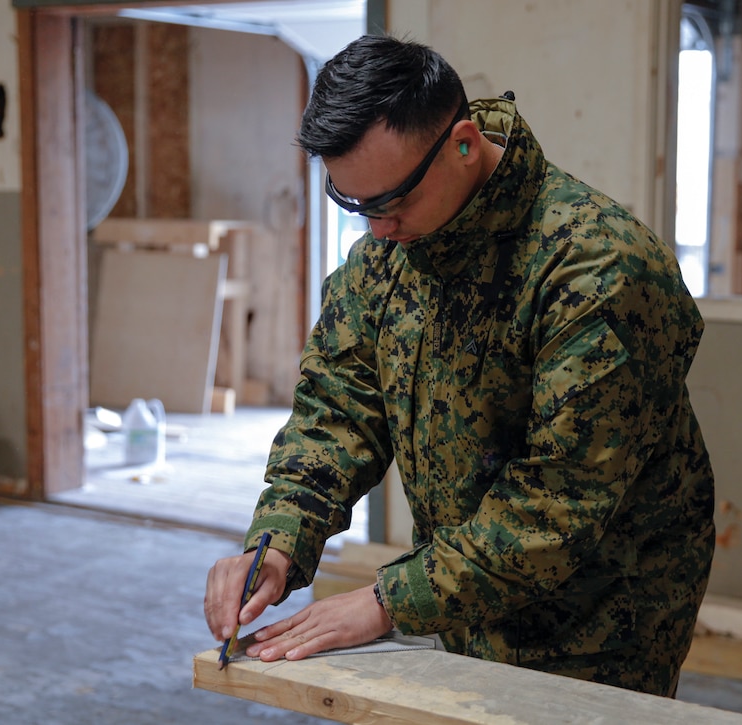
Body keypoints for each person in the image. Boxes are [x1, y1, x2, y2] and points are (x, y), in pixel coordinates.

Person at [204, 34, 715, 698]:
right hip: (465, 606)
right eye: (351, 203)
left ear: (465, 144)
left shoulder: (598, 269)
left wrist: (388, 601)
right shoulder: (387, 261)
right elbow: (337, 415)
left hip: (601, 624)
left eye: (390, 201)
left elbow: (557, 502)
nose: (375, 229)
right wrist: (278, 537)